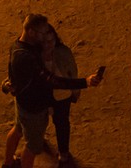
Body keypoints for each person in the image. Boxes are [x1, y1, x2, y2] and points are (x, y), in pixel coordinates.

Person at [3, 14, 101, 168]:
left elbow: (13, 74)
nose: (45, 39)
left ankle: (8, 164)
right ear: (31, 32)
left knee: (18, 129)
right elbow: (51, 80)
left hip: (23, 103)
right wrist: (85, 82)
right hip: (34, 108)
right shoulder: (28, 56)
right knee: (33, 147)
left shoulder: (18, 46)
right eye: (42, 34)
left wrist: (9, 85)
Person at [41, 25, 80, 166]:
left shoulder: (63, 53)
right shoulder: (34, 55)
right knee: (41, 119)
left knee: (62, 123)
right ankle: (39, 139)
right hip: (42, 95)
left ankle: (64, 154)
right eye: (45, 42)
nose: (48, 45)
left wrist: (75, 92)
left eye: (51, 41)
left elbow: (73, 72)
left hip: (62, 95)